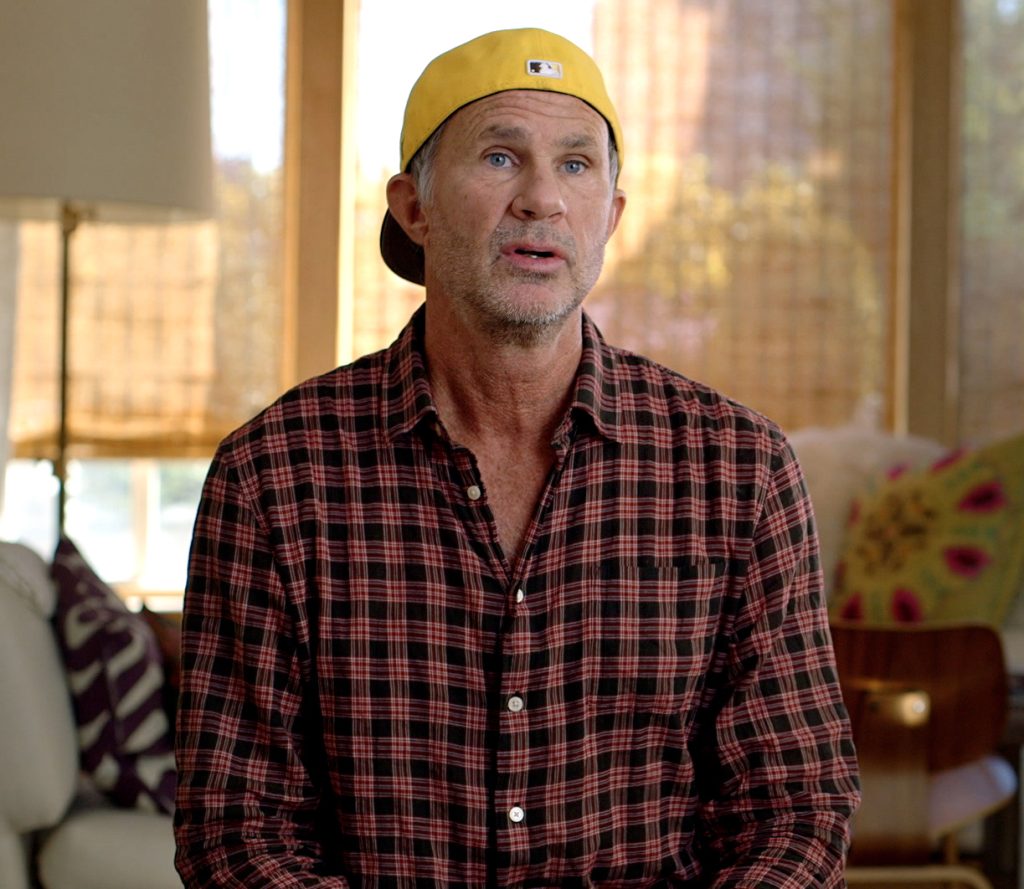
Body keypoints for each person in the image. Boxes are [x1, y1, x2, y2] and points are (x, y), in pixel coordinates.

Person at [174, 27, 860, 888]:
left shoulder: (740, 469)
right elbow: (237, 832)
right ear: (413, 208)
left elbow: (797, 807)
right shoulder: (274, 475)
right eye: (500, 157)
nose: (542, 198)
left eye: (576, 164)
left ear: (610, 215)